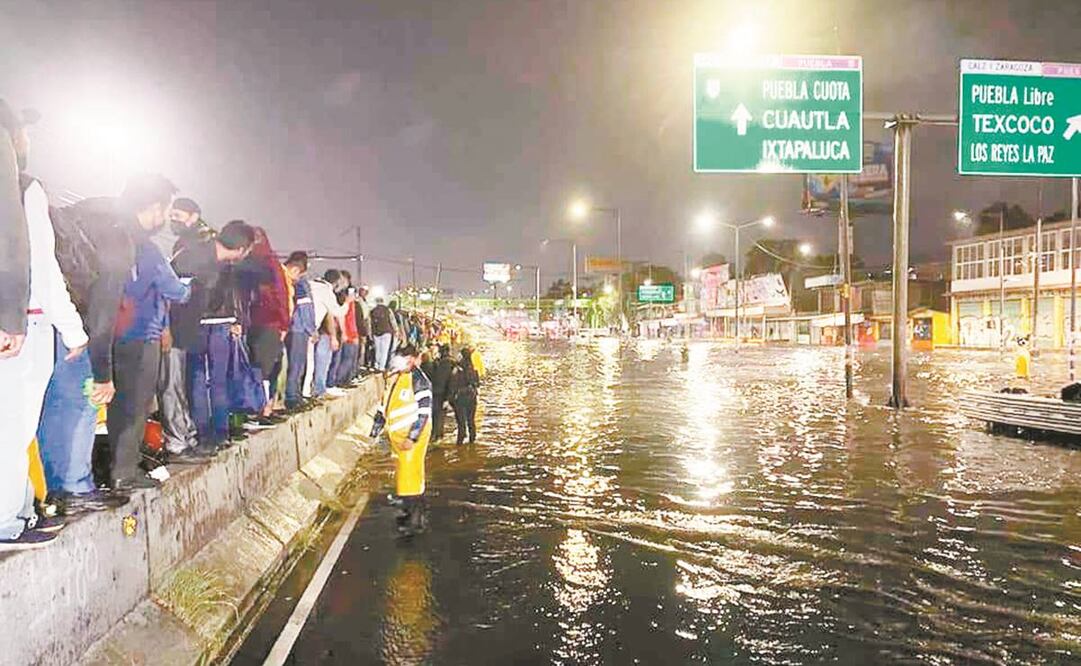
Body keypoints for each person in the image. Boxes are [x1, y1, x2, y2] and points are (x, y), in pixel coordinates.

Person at [0, 102, 91, 547]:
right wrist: (73, 330)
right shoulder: (23, 188)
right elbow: (41, 266)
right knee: (12, 426)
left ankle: (18, 512)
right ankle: (5, 523)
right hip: (23, 323)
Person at [108, 210, 192, 489]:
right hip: (143, 334)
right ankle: (125, 473)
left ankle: (118, 467)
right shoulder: (148, 249)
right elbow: (174, 290)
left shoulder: (114, 239)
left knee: (118, 404)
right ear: (153, 207)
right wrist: (188, 287)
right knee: (136, 405)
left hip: (116, 333)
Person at [172, 219, 255, 451]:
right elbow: (177, 293)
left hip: (220, 325)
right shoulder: (194, 255)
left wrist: (236, 319)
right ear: (241, 248)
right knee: (197, 380)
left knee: (216, 380)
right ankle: (204, 434)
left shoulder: (224, 264)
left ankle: (219, 434)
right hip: (195, 326)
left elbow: (232, 295)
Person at [155, 197, 213, 461]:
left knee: (176, 386)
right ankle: (178, 441)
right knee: (171, 384)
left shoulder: (194, 247)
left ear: (194, 215)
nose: (173, 221)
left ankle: (184, 438)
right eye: (172, 215)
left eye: (179, 216)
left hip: (180, 328)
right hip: (175, 328)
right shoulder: (188, 247)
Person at [370, 344, 432, 534]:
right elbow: (385, 405)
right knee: (404, 473)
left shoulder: (419, 380)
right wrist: (376, 430)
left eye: (401, 358)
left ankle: (415, 522)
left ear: (412, 359)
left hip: (412, 437)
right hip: (398, 436)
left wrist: (412, 438)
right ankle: (408, 510)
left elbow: (424, 412)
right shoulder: (395, 377)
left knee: (411, 476)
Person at [244, 227, 290, 421]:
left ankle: (260, 409)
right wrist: (284, 323)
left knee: (255, 368)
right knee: (266, 369)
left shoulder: (243, 263)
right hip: (268, 324)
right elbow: (281, 295)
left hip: (249, 324)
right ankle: (263, 410)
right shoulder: (271, 265)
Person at [282, 251, 316, 410]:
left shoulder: (291, 281)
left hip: (294, 328)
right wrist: (312, 329)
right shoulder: (301, 284)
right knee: (297, 364)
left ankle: (295, 395)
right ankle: (292, 397)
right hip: (299, 328)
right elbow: (305, 308)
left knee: (296, 364)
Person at [307, 269, 343, 399]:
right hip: (314, 330)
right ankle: (314, 391)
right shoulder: (326, 291)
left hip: (304, 326)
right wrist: (349, 302)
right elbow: (336, 313)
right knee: (314, 363)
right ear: (337, 282)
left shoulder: (309, 284)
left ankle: (309, 391)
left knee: (305, 364)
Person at [449, 347, 480, 445]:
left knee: (461, 422)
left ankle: (460, 442)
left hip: (460, 399)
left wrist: (450, 399)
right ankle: (472, 440)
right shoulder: (473, 368)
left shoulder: (457, 369)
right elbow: (477, 383)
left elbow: (453, 384)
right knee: (471, 420)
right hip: (472, 397)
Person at [429, 344, 455, 442]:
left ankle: (436, 436)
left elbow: (440, 379)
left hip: (438, 393)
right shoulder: (451, 363)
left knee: (436, 415)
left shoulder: (442, 363)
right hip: (443, 394)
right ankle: (438, 436)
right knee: (440, 416)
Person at [369, 296, 395, 371]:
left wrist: (371, 334)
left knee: (378, 349)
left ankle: (376, 364)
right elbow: (392, 321)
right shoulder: (388, 310)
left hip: (376, 332)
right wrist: (396, 330)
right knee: (385, 350)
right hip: (387, 332)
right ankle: (381, 366)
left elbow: (370, 324)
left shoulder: (372, 311)